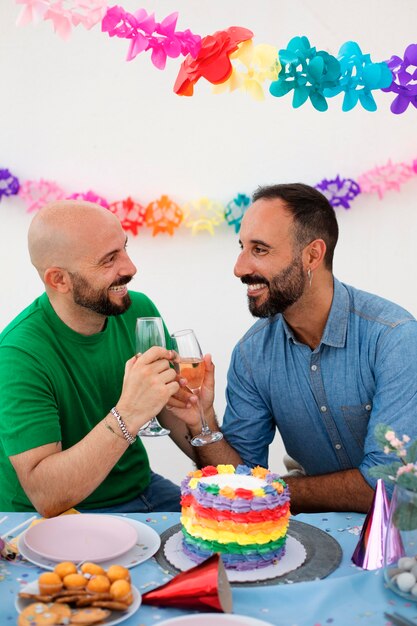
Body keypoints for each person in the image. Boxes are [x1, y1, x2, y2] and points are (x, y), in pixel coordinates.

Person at [170, 183, 417, 514]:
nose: (239, 267)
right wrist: (202, 422)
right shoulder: (251, 354)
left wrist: (268, 489)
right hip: (324, 531)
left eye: (260, 249)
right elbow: (237, 479)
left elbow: (385, 487)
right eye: (242, 247)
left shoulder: (394, 338)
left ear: (312, 255)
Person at [0, 200, 193, 516]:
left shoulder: (138, 311)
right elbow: (47, 495)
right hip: (54, 513)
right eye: (109, 260)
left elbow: (175, 412)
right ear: (59, 279)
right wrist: (128, 413)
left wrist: (199, 410)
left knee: (230, 544)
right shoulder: (18, 355)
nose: (130, 268)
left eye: (124, 248)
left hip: (140, 489)